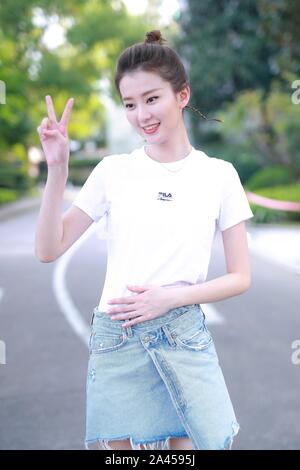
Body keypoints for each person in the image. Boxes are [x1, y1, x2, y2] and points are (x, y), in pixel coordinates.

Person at [35, 30, 254, 451]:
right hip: (118, 334)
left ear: (182, 95)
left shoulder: (219, 175)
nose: (141, 115)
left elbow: (240, 276)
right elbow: (48, 249)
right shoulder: (113, 171)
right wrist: (57, 171)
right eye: (130, 105)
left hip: (182, 332)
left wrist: (171, 298)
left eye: (152, 98)